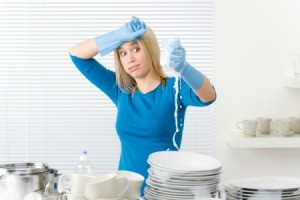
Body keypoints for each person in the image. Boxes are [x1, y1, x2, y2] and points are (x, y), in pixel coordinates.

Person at [69, 16, 216, 193]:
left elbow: (209, 96)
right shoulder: (120, 90)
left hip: (163, 192)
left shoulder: (174, 88)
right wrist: (117, 36)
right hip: (123, 192)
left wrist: (184, 68)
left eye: (136, 49)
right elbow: (77, 55)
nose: (129, 58)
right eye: (122, 53)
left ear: (150, 50)